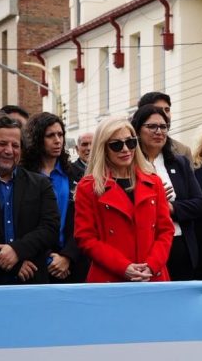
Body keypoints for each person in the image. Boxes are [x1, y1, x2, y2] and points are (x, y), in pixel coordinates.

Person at [74, 116, 175, 283]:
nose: (125, 149)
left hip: (152, 276)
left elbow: (165, 230)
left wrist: (151, 265)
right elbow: (86, 238)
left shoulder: (153, 181)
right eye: (116, 145)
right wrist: (123, 266)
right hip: (110, 278)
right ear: (103, 148)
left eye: (131, 142)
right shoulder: (88, 187)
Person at [0, 113, 59, 285]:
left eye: (15, 145)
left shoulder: (40, 184)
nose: (9, 150)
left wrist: (17, 250)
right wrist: (12, 263)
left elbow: (50, 228)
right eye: (1, 144)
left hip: (31, 281)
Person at [132, 104, 202, 281]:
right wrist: (153, 203)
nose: (159, 131)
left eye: (163, 127)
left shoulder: (179, 163)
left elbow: (200, 204)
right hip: (144, 248)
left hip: (179, 243)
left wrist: (170, 207)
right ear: (137, 130)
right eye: (152, 126)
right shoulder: (129, 165)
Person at [21, 112, 86, 283]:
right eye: (50, 135)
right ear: (37, 139)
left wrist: (67, 256)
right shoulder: (23, 176)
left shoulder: (76, 174)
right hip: (35, 262)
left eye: (60, 134)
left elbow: (85, 221)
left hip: (72, 260)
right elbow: (23, 222)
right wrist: (48, 257)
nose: (58, 140)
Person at [137, 91, 193, 158]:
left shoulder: (183, 151)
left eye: (167, 110)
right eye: (158, 110)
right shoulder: (129, 150)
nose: (165, 115)